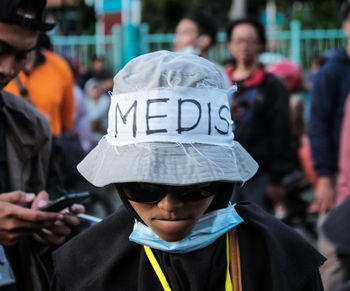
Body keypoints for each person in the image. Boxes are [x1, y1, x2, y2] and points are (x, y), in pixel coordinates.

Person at [51, 51, 325, 291]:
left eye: (194, 184)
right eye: (145, 186)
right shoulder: (83, 270)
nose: (169, 205)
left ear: (222, 180)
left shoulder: (280, 261)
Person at [0, 0, 84, 290]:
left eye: (23, 55)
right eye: (0, 50)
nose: (9, 69)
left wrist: (48, 223)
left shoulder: (31, 125)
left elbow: (48, 188)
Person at [225, 17, 292, 212]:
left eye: (250, 40)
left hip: (259, 176)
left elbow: (281, 130)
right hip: (224, 175)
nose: (244, 46)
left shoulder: (272, 86)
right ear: (229, 45)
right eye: (238, 40)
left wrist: (276, 178)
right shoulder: (219, 83)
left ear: (261, 45)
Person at [308, 2, 350, 290]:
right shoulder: (331, 73)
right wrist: (325, 177)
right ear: (346, 25)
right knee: (333, 257)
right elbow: (319, 128)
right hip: (339, 181)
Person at [5, 32, 75, 137]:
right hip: (9, 144)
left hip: (50, 143)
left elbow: (67, 118)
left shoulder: (59, 67)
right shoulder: (4, 66)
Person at [174, 11, 231, 88]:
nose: (175, 40)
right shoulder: (171, 72)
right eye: (177, 34)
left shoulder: (217, 75)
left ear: (204, 40)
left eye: (184, 33)